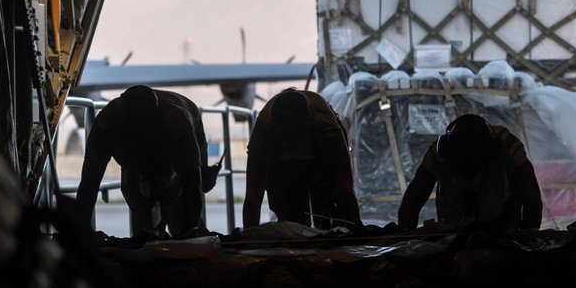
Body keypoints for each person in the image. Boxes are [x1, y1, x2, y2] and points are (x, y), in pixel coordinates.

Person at [75, 85, 220, 239]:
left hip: (177, 142)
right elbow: (89, 183)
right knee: (139, 202)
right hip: (135, 163)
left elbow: (191, 182)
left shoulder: (177, 122)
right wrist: (79, 232)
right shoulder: (106, 125)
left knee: (181, 201)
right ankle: (145, 239)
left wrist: (190, 233)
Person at [397, 114, 543, 232]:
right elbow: (413, 200)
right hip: (453, 232)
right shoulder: (439, 152)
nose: (468, 169)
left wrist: (526, 240)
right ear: (450, 151)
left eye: (473, 161)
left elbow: (532, 201)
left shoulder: (508, 147)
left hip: (502, 231)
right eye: (463, 162)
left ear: (491, 151)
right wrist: (405, 237)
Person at [243, 88, 361, 229]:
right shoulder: (262, 135)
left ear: (309, 127)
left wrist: (355, 234)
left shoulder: (328, 131)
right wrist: (250, 239)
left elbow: (346, 190)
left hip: (320, 153)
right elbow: (253, 197)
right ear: (277, 131)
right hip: (279, 160)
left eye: (296, 138)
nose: (292, 145)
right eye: (286, 139)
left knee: (331, 211)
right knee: (290, 218)